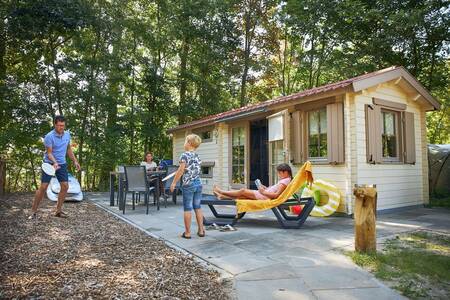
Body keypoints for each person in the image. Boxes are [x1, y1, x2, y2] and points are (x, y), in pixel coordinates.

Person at [29, 115, 81, 219]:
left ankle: (58, 211)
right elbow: (49, 153)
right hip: (49, 163)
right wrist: (54, 162)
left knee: (65, 186)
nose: (62, 128)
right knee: (43, 187)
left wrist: (75, 161)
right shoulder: (49, 136)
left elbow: (68, 149)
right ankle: (33, 212)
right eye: (59, 125)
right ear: (55, 125)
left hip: (61, 164)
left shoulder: (67, 135)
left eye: (63, 125)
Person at [170, 134, 205, 239]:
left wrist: (173, 183)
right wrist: (186, 170)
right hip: (198, 184)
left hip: (188, 185)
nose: (184, 144)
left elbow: (180, 171)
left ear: (189, 143)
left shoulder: (184, 155)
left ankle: (188, 233)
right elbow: (194, 169)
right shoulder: (197, 156)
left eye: (185, 141)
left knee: (187, 208)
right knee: (197, 207)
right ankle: (201, 230)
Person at [213, 163, 292, 200]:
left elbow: (276, 195)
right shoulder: (286, 180)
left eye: (279, 173)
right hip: (265, 193)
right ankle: (222, 196)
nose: (278, 175)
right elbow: (275, 190)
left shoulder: (284, 181)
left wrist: (263, 192)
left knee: (242, 191)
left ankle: (222, 192)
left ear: (285, 172)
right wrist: (266, 188)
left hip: (264, 196)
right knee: (243, 196)